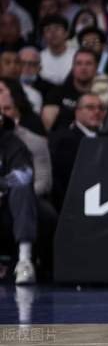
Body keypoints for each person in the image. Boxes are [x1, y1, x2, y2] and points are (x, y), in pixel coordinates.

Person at [0, 113, 39, 284]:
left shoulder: (12, 143)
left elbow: (24, 175)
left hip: (8, 207)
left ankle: (24, 261)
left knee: (23, 190)